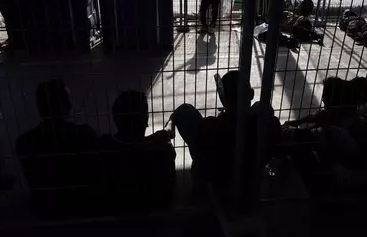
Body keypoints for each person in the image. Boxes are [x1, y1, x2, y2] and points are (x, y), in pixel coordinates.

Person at [172, 71, 280, 206]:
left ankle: (201, 187)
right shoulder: (269, 124)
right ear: (251, 94)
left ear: (223, 97)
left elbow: (203, 142)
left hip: (218, 180)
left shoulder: (210, 127)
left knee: (184, 111)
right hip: (249, 177)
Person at [16, 79, 98, 218]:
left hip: (45, 208)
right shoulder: (85, 134)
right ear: (66, 106)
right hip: (82, 206)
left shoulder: (25, 142)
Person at [98, 91, 176, 213]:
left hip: (115, 210)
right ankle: (167, 132)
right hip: (155, 212)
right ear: (146, 120)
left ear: (115, 118)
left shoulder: (103, 145)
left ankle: (166, 132)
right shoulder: (161, 149)